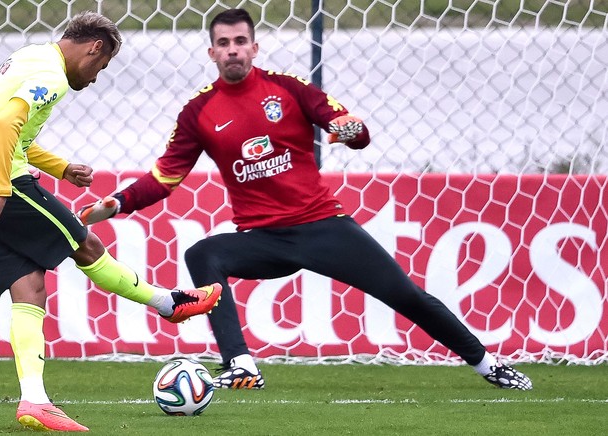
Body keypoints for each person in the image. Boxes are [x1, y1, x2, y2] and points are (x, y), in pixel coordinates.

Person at [78, 8, 532, 392]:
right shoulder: (198, 112)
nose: (233, 49)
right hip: (263, 239)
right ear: (212, 52)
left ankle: (487, 364)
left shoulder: (289, 89)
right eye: (224, 43)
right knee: (204, 254)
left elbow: (346, 124)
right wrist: (117, 204)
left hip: (323, 227)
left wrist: (353, 131)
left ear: (254, 48)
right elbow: (164, 178)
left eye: (241, 41)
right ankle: (242, 365)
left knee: (405, 295)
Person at [0, 11, 222, 432]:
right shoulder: (54, 75)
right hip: (1, 186)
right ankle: (168, 304)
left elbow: (4, 131)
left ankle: (35, 401)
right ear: (94, 47)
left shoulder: (32, 56)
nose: (97, 76)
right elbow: (6, 125)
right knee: (87, 246)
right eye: (103, 65)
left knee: (29, 291)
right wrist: (5, 193)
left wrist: (60, 168)